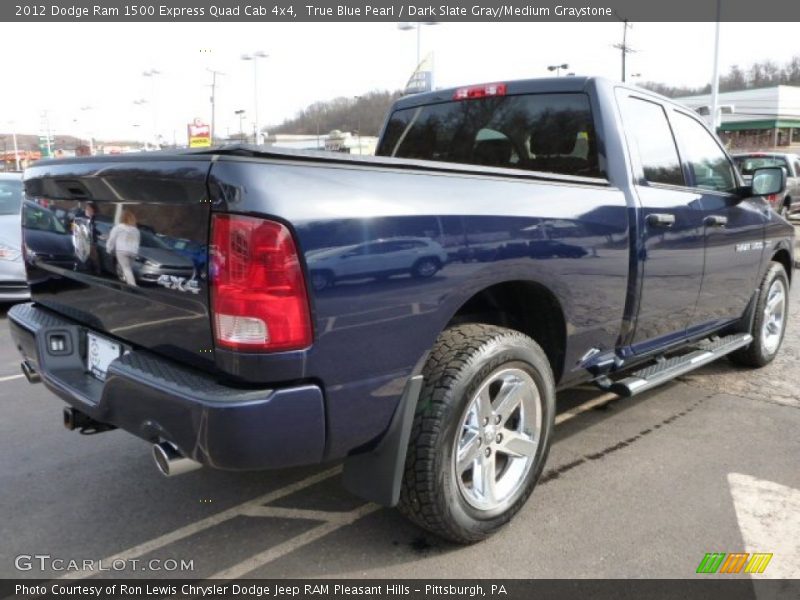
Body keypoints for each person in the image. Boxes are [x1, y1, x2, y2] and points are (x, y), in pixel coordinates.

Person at [107, 209, 141, 286]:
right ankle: (125, 280)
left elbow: (112, 239)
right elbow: (138, 241)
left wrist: (109, 248)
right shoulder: (136, 230)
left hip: (122, 250)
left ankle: (132, 285)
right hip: (133, 251)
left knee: (126, 268)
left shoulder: (118, 227)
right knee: (127, 267)